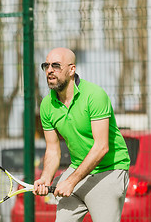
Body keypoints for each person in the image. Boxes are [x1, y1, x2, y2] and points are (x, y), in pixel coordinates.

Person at [33, 47, 130, 222]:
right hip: (77, 168)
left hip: (109, 170)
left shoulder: (95, 96)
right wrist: (45, 178)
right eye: (46, 66)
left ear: (72, 69)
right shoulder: (47, 105)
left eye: (56, 65)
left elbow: (101, 147)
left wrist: (70, 181)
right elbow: (53, 151)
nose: (49, 70)